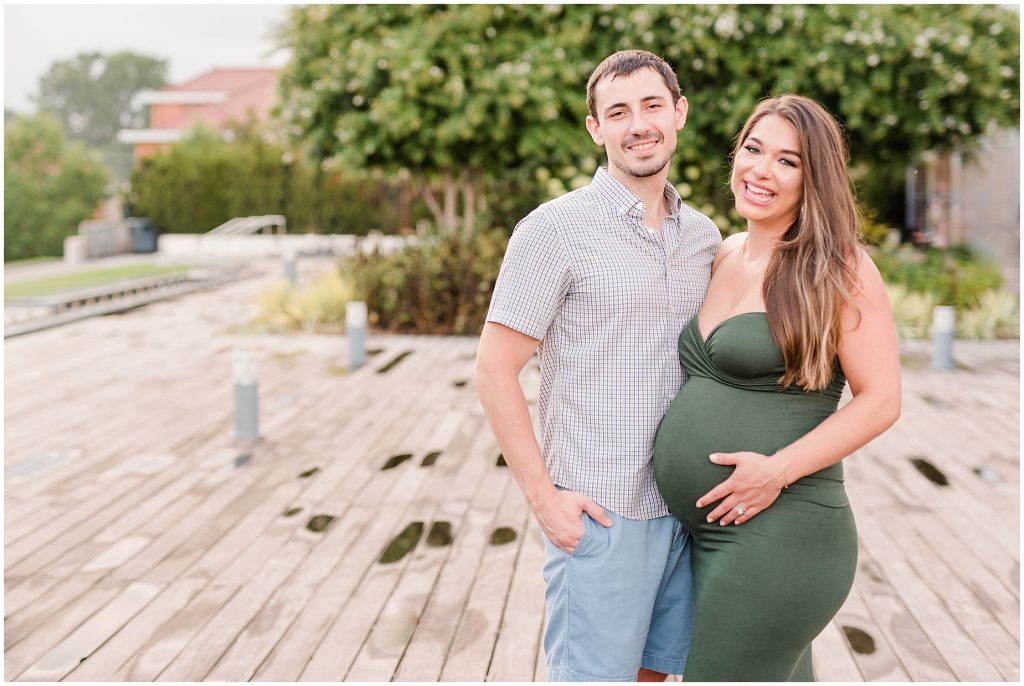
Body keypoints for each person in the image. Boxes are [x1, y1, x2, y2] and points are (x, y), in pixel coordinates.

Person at [475, 50, 720, 682]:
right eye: (618, 112)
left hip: (686, 513)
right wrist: (543, 498)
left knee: (657, 675)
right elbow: (495, 368)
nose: (638, 124)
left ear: (679, 113)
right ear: (596, 128)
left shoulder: (704, 238)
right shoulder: (554, 229)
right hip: (602, 514)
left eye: (651, 106)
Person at [652, 94, 902, 681]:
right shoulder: (723, 252)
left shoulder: (836, 267)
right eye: (753, 149)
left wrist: (777, 470)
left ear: (815, 180)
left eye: (788, 161)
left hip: (780, 534)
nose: (761, 170)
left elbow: (882, 399)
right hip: (703, 535)